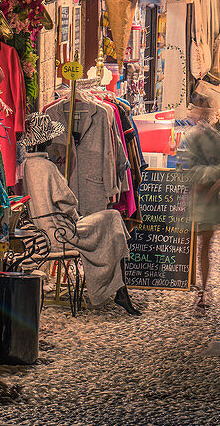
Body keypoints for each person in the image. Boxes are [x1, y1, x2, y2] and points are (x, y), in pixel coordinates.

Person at [20, 113, 140, 315]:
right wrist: (75, 216)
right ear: (46, 140)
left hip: (41, 234)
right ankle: (121, 289)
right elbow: (67, 201)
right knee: (113, 219)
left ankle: (120, 289)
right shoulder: (47, 167)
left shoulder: (24, 166)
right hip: (61, 233)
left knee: (113, 225)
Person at [181, 94, 220, 311]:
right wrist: (215, 176)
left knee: (201, 246)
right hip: (201, 201)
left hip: (203, 202)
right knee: (198, 246)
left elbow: (189, 170)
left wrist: (208, 177)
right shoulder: (205, 140)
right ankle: (194, 286)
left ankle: (199, 288)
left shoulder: (207, 140)